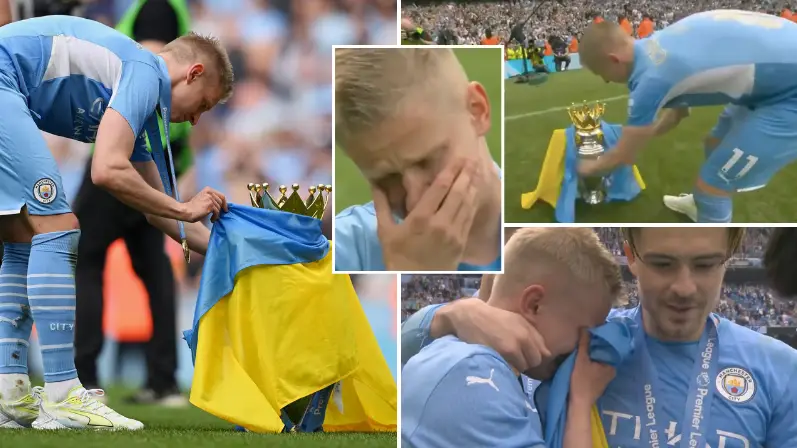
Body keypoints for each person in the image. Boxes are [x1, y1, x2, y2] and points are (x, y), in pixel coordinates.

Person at [0, 15, 232, 430]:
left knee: (20, 236)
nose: (197, 120)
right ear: (192, 74)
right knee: (59, 225)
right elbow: (106, 170)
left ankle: (9, 391)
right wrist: (183, 209)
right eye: (204, 104)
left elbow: (157, 210)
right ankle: (63, 393)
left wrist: (235, 251)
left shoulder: (141, 106)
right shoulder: (145, 71)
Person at [404, 228, 797, 447]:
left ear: (731, 253)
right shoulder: (582, 340)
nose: (684, 287)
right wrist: (448, 314)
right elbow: (404, 350)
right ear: (631, 254)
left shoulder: (780, 369)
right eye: (662, 264)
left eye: (706, 265)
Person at [73, 0, 193, 407]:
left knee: (84, 259)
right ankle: (163, 380)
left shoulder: (154, 7)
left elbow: (147, 74)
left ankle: (83, 378)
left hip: (131, 151)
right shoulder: (174, 10)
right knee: (154, 268)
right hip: (152, 155)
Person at [402, 228, 624, 448]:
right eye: (584, 331)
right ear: (534, 305)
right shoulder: (472, 376)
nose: (585, 346)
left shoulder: (476, 361)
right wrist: (581, 403)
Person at [576, 11, 797, 223]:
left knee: (712, 187)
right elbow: (677, 114)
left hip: (789, 94)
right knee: (714, 143)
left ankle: (711, 218)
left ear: (614, 60)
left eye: (601, 73)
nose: (606, 81)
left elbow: (623, 156)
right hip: (772, 82)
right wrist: (643, 134)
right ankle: (700, 205)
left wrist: (586, 168)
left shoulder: (650, 80)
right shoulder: (655, 43)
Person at [334, 47, 502, 272]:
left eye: (427, 161)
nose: (415, 202)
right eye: (388, 178)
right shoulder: (342, 251)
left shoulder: (550, 222)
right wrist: (410, 269)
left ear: (477, 111)